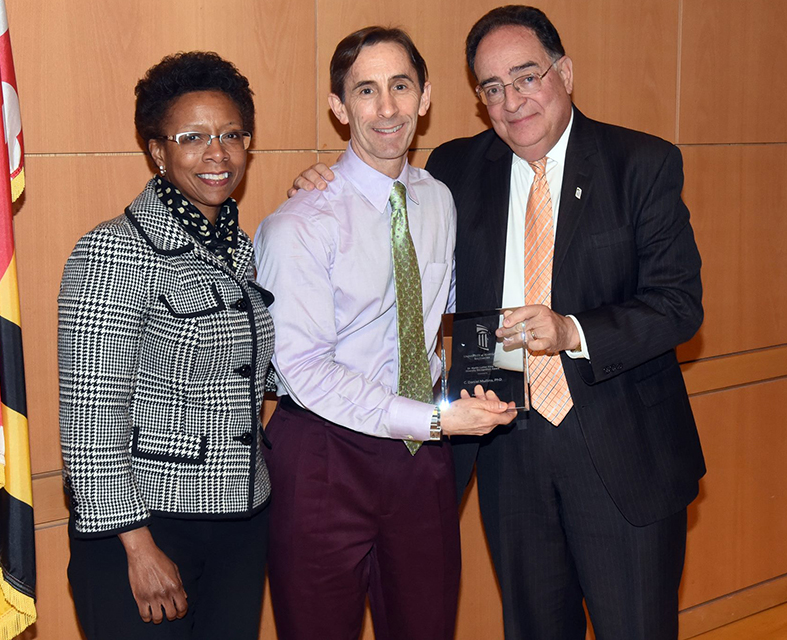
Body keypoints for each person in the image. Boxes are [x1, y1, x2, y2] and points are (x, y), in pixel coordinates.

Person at [290, 6, 706, 640]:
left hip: (622, 453)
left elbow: (679, 305)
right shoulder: (455, 172)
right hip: (509, 449)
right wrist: (320, 179)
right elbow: (381, 197)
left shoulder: (640, 163)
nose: (511, 101)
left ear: (564, 72)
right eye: (491, 87)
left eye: (527, 76)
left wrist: (573, 331)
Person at [254, 26, 515, 640]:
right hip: (322, 456)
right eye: (365, 91)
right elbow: (304, 368)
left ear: (425, 97)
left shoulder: (437, 199)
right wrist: (433, 420)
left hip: (422, 463)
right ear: (339, 108)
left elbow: (445, 305)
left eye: (400, 86)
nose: (387, 108)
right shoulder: (299, 225)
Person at [58, 51, 273, 640]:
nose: (218, 154)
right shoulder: (112, 251)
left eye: (232, 134)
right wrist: (137, 546)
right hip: (147, 528)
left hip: (240, 524)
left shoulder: (244, 251)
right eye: (194, 136)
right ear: (157, 150)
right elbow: (90, 416)